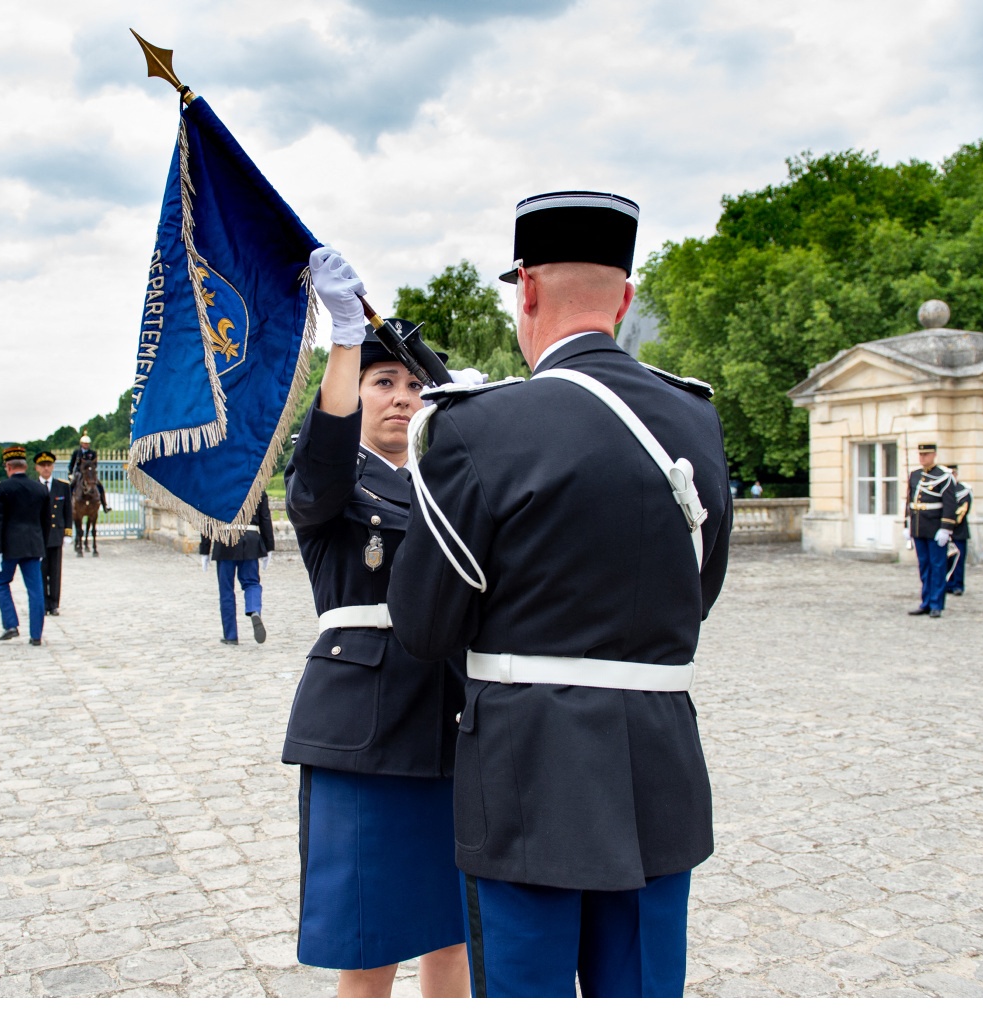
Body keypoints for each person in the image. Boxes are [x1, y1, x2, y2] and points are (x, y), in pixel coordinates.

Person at [387, 191, 733, 998]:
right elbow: (699, 590)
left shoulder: (478, 425)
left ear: (528, 292)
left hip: (527, 778)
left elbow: (425, 625)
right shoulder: (695, 420)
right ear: (625, 297)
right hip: (658, 772)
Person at [284, 256, 470, 999]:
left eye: (414, 384)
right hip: (367, 733)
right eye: (382, 382)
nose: (402, 398)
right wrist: (345, 338)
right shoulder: (334, 481)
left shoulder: (447, 479)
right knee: (369, 953)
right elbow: (323, 454)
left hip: (453, 723)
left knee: (453, 933)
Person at [0, 445, 50, 645]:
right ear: (26, 466)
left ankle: (10, 624)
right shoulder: (40, 488)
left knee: (0, 583)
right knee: (35, 591)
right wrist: (42, 546)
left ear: (8, 467)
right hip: (34, 545)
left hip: (9, 547)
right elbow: (45, 522)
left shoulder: (2, 488)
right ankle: (36, 635)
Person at [198, 492, 275, 645]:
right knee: (252, 583)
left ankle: (231, 635)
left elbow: (206, 519)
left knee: (226, 590)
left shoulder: (217, 485)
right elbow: (265, 518)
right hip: (251, 539)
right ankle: (254, 609)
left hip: (224, 538)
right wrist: (269, 546)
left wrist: (204, 550)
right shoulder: (256, 485)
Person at [905, 443, 958, 617]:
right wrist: (907, 524)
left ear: (934, 455)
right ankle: (926, 601)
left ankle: (936, 603)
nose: (923, 458)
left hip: (935, 527)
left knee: (938, 566)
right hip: (919, 526)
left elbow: (950, 505)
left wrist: (946, 528)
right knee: (924, 566)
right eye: (920, 455)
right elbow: (910, 502)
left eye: (926, 455)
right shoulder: (915, 475)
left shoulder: (944, 476)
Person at [35, 451, 71, 616]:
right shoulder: (33, 487)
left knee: (55, 572)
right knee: (41, 571)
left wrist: (68, 532)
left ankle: (54, 603)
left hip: (56, 534)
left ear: (53, 467)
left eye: (48, 465)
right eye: (43, 466)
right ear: (37, 468)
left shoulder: (62, 486)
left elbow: (67, 511)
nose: (46, 468)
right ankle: (43, 603)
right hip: (39, 536)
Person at [946, 464, 972, 596]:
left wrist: (947, 523)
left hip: (958, 531)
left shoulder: (964, 490)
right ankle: (947, 584)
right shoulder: (942, 489)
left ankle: (958, 585)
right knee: (945, 560)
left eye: (953, 474)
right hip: (943, 531)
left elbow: (962, 510)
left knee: (958, 560)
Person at [68, 434, 110, 512]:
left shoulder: (92, 453)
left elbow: (95, 464)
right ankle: (69, 505)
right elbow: (72, 463)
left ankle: (105, 505)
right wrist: (70, 473)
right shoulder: (77, 452)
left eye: (87, 444)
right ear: (81, 444)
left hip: (90, 473)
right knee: (71, 485)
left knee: (99, 486)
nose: (86, 445)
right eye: (85, 443)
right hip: (79, 472)